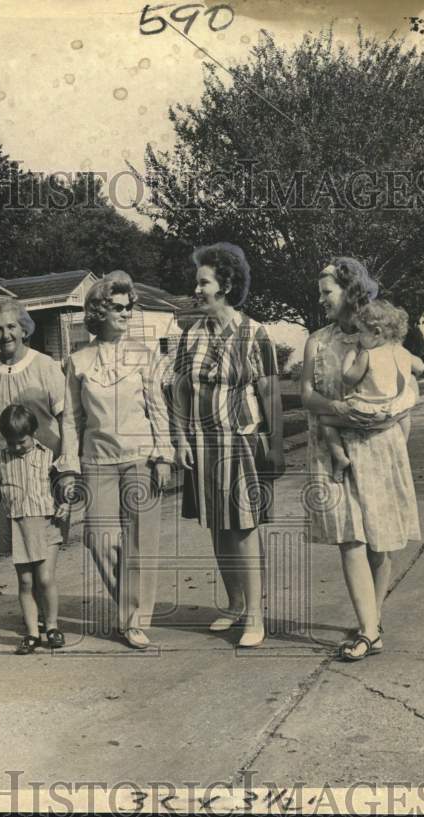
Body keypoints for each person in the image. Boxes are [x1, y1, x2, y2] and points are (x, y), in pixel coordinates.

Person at [301, 257, 421, 661]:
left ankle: (373, 621)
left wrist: (391, 416)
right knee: (350, 537)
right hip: (333, 446)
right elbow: (305, 395)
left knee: (380, 541)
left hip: (380, 445)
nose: (320, 300)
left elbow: (407, 390)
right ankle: (368, 630)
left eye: (326, 291)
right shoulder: (317, 341)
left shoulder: (381, 336)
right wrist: (339, 410)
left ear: (349, 291)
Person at [172, 242, 285, 648]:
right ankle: (235, 604)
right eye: (197, 281)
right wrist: (181, 437)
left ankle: (255, 615)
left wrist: (275, 443)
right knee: (218, 528)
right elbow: (181, 392)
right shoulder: (190, 336)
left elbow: (269, 392)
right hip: (203, 445)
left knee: (243, 528)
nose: (196, 289)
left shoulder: (255, 334)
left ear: (226, 284)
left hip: (240, 442)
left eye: (203, 281)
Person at [55, 271, 174, 650]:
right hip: (97, 461)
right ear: (98, 311)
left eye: (129, 306)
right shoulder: (77, 361)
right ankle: (131, 601)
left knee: (141, 541)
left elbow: (158, 409)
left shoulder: (145, 355)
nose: (126, 312)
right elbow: (71, 419)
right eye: (118, 307)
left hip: (140, 458)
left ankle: (132, 619)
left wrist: (163, 455)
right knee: (97, 538)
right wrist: (69, 466)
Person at [0, 297, 69, 641]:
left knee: (43, 565)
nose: (5, 334)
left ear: (23, 328)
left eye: (11, 326)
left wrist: (67, 466)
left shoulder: (46, 365)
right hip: (6, 476)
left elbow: (68, 419)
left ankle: (47, 624)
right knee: (24, 564)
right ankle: (35, 625)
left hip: (44, 475)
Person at [0, 405, 69, 654]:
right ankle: (32, 633)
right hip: (19, 525)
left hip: (46, 522)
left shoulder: (47, 455)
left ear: (33, 433)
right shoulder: (1, 458)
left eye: (21, 441)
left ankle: (51, 627)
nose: (17, 447)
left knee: (45, 578)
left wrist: (64, 503)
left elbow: (61, 487)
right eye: (11, 442)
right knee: (25, 581)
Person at [320, 299, 424, 482]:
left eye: (360, 332)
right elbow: (421, 367)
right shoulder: (402, 352)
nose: (357, 337)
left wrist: (351, 354)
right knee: (406, 414)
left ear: (376, 333)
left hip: (368, 413)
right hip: (394, 412)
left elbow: (348, 377)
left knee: (326, 421)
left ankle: (340, 458)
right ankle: (402, 445)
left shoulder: (368, 355)